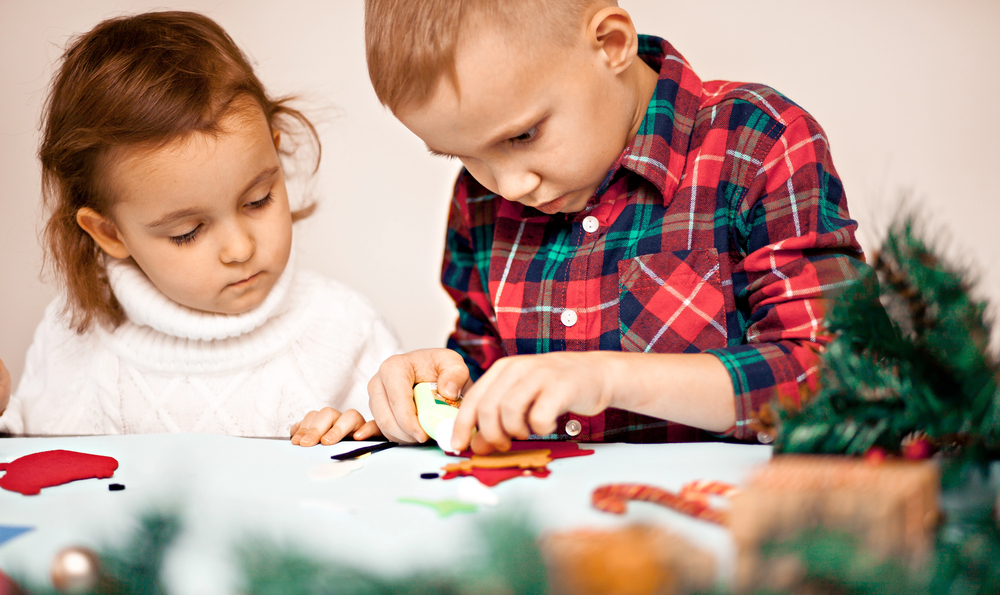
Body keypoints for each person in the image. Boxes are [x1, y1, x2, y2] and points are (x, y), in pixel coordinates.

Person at [358, 0, 868, 454]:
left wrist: (608, 376)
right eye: (462, 155)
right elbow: (486, 365)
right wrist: (440, 388)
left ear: (611, 43)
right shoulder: (480, 196)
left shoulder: (758, 143)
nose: (509, 185)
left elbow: (841, 377)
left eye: (523, 135)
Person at [0, 11, 398, 445]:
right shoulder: (72, 338)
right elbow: (36, 475)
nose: (240, 248)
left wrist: (373, 436)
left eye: (257, 200)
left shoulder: (344, 329)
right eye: (188, 231)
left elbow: (421, 456)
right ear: (110, 233)